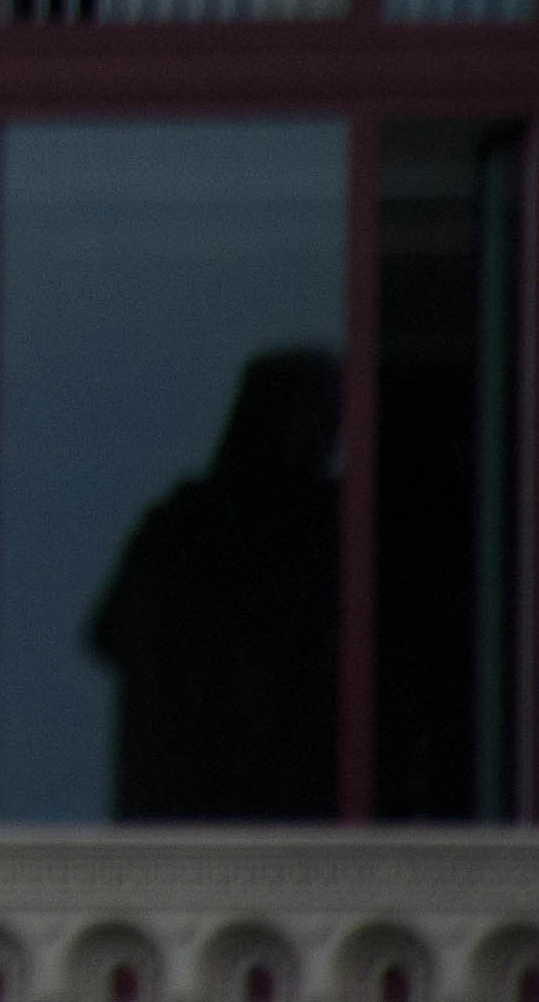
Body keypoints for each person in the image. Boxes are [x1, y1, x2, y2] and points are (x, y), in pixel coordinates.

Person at [86, 345, 344, 818]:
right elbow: (111, 634)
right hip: (204, 798)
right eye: (313, 415)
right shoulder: (188, 525)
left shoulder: (184, 523)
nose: (325, 434)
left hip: (277, 809)